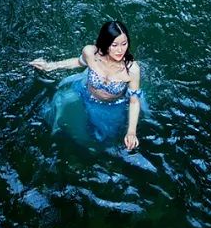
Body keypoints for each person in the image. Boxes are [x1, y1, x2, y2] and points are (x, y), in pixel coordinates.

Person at [31, 19, 143, 150]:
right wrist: (50, 66)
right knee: (59, 114)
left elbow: (134, 101)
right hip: (83, 93)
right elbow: (78, 62)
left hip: (110, 107)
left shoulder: (132, 69)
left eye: (124, 44)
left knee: (103, 141)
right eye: (114, 45)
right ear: (105, 43)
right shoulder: (91, 53)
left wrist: (131, 132)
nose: (120, 50)